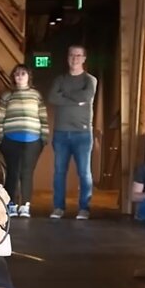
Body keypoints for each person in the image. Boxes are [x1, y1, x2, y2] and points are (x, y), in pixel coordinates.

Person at [47, 45, 98, 220]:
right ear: (67, 58)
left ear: (84, 58)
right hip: (61, 133)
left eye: (78, 55)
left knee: (84, 172)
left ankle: (84, 208)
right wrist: (75, 99)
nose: (74, 58)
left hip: (82, 134)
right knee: (59, 172)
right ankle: (58, 207)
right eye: (71, 55)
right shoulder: (60, 79)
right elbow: (53, 97)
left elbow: (86, 97)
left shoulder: (90, 80)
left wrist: (65, 97)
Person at [0, 64, 48, 219]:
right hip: (10, 140)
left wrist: (44, 137)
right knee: (13, 172)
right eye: (17, 74)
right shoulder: (7, 96)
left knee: (27, 173)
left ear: (28, 77)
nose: (19, 76)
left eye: (23, 73)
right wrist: (0, 137)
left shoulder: (36, 95)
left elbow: (43, 117)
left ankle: (25, 204)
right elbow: (0, 118)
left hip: (33, 140)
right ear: (14, 77)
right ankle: (11, 204)